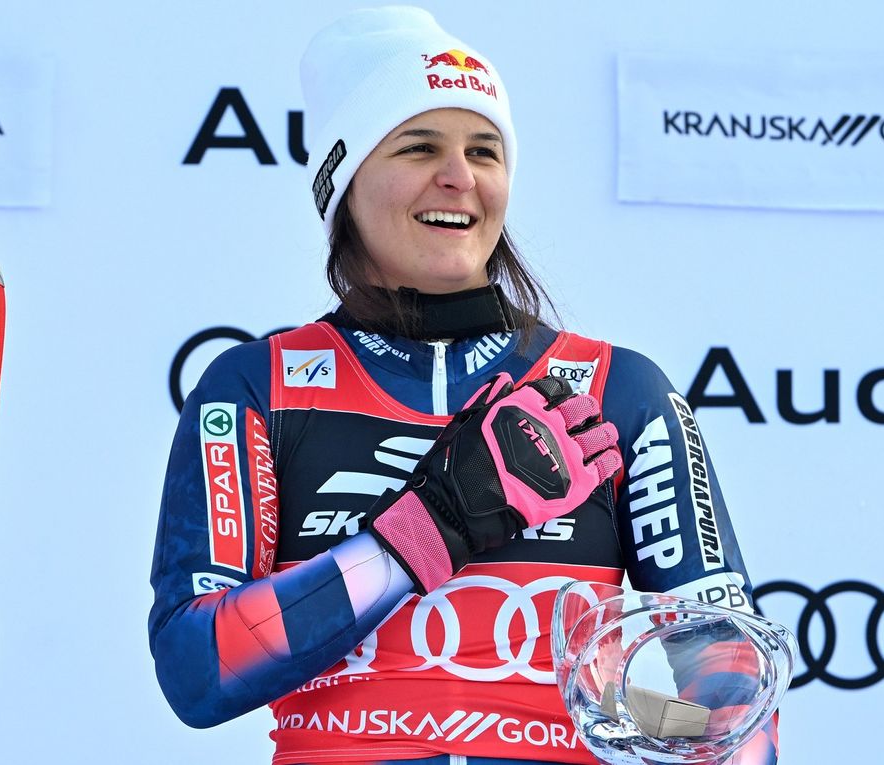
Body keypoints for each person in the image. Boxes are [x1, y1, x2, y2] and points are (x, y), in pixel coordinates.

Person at [149, 7, 779, 764]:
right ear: (345, 182)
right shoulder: (260, 387)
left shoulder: (617, 391)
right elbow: (196, 670)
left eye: (485, 151)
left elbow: (738, 701)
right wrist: (429, 529)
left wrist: (639, 715)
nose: (461, 177)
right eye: (419, 146)